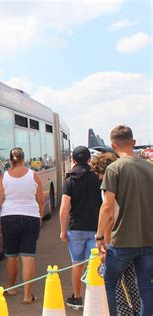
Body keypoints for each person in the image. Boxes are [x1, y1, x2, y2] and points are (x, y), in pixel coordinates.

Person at [95, 125, 153, 316]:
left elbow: (108, 208)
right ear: (134, 142)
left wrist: (99, 237)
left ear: (112, 145)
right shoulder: (149, 168)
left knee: (109, 283)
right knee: (146, 288)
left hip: (122, 241)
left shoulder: (114, 169)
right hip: (148, 238)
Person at [91, 152, 141, 315]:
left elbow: (110, 216)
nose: (99, 178)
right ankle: (137, 311)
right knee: (133, 283)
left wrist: (104, 242)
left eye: (99, 174)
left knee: (113, 284)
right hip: (135, 238)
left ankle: (123, 312)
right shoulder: (129, 183)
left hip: (117, 241)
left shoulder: (109, 188)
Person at [0, 147, 44, 304]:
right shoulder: (34, 176)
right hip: (31, 217)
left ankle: (11, 287)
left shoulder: (4, 177)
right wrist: (39, 216)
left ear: (10, 160)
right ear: (23, 159)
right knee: (28, 256)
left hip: (9, 217)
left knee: (11, 255)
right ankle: (28, 295)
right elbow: (40, 201)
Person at [59, 145, 102, 311]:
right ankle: (97, 298)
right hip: (97, 228)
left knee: (77, 264)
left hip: (76, 228)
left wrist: (63, 230)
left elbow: (64, 208)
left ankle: (77, 298)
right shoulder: (98, 177)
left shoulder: (69, 180)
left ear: (73, 160)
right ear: (90, 160)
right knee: (96, 265)